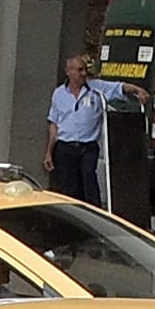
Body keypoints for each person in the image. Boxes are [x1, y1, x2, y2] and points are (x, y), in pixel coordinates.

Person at [45, 56, 105, 206]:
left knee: (88, 176)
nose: (84, 73)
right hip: (66, 146)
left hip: (88, 146)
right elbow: (54, 124)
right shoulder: (59, 94)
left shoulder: (95, 91)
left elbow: (118, 88)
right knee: (68, 186)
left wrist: (137, 90)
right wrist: (49, 152)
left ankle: (95, 211)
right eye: (79, 70)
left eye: (85, 69)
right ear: (69, 72)